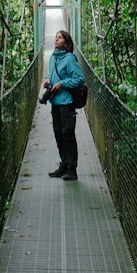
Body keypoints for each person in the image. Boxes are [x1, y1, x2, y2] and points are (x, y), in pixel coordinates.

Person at [44, 29, 86, 181]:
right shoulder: (52, 58)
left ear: (66, 43)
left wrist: (62, 83)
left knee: (67, 133)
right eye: (55, 36)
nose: (56, 39)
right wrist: (49, 80)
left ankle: (71, 169)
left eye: (60, 37)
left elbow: (80, 78)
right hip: (55, 102)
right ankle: (64, 164)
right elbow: (52, 74)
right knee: (58, 133)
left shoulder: (69, 59)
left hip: (67, 103)